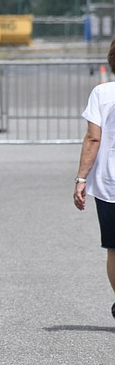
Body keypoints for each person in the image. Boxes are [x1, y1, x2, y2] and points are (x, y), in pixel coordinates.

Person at [75, 38, 115, 319]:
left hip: (110, 183)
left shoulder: (102, 93)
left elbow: (93, 138)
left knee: (113, 249)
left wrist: (81, 178)